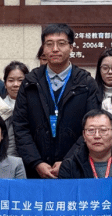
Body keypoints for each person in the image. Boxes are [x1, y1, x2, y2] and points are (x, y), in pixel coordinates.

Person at [12, 23, 101, 179]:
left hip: (76, 168)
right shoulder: (30, 82)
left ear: (71, 47)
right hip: (36, 171)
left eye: (61, 43)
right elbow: (20, 126)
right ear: (43, 48)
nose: (55, 49)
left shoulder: (86, 83)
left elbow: (92, 128)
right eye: (49, 44)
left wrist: (68, 161)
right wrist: (36, 162)